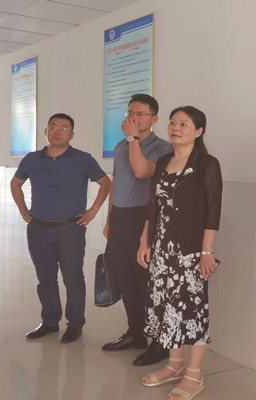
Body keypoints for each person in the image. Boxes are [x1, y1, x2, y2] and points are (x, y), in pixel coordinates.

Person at [137, 106, 222, 400]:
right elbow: (153, 206)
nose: (176, 127)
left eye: (184, 124)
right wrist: (144, 241)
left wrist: (206, 251)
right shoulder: (163, 161)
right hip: (162, 249)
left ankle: (193, 375)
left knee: (192, 310)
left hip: (190, 252)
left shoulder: (207, 164)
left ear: (199, 131)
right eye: (173, 122)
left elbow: (213, 211)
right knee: (166, 306)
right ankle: (174, 365)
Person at [11, 113, 111, 343]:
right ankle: (49, 321)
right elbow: (15, 183)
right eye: (53, 127)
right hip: (38, 229)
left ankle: (75, 324)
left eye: (64, 128)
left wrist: (93, 210)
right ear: (45, 131)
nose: (57, 132)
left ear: (72, 134)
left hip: (70, 230)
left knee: (72, 278)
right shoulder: (32, 159)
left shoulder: (82, 159)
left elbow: (105, 182)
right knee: (45, 278)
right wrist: (22, 208)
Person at [101, 94, 172, 366]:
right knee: (125, 279)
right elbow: (116, 181)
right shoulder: (120, 145)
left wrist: (133, 139)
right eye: (130, 112)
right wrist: (109, 219)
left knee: (147, 282)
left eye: (140, 114)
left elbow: (142, 172)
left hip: (143, 219)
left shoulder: (163, 148)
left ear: (154, 119)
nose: (134, 118)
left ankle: (160, 342)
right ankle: (136, 333)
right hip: (119, 218)